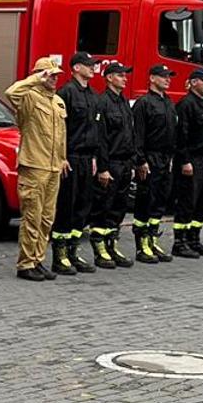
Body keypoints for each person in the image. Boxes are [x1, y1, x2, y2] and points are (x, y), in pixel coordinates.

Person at [5, 56, 67, 281]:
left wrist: (62, 159)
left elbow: (61, 136)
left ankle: (38, 260)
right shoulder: (29, 97)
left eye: (57, 75)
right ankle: (25, 264)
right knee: (32, 216)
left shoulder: (58, 101)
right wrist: (35, 78)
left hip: (52, 168)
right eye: (50, 75)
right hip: (34, 166)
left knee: (47, 218)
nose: (54, 79)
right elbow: (11, 93)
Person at [52, 52, 105, 275]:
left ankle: (73, 252)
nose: (92, 68)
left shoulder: (93, 95)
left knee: (83, 207)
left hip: (86, 158)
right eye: (88, 65)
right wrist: (61, 157)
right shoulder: (66, 93)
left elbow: (95, 130)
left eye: (93, 65)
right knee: (67, 205)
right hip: (70, 157)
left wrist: (94, 158)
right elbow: (59, 129)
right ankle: (59, 255)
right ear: (75, 68)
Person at [87, 59, 136, 269]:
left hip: (125, 164)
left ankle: (111, 245)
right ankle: (99, 249)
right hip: (112, 164)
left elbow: (130, 135)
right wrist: (104, 168)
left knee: (119, 208)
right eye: (121, 75)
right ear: (109, 78)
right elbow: (101, 139)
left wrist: (132, 164)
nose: (125, 78)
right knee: (103, 207)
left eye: (125, 75)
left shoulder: (123, 102)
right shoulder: (102, 103)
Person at [127, 64, 178, 264]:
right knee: (146, 202)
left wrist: (172, 157)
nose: (168, 80)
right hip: (150, 158)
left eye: (169, 76)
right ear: (152, 78)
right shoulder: (144, 103)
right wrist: (140, 160)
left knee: (159, 204)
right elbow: (138, 134)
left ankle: (152, 238)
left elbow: (173, 132)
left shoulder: (168, 102)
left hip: (166, 159)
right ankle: (142, 245)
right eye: (163, 76)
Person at [171, 68, 203, 259]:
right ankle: (180, 242)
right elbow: (181, 136)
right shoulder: (186, 105)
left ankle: (194, 239)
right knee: (187, 202)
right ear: (193, 82)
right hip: (193, 160)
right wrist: (184, 160)